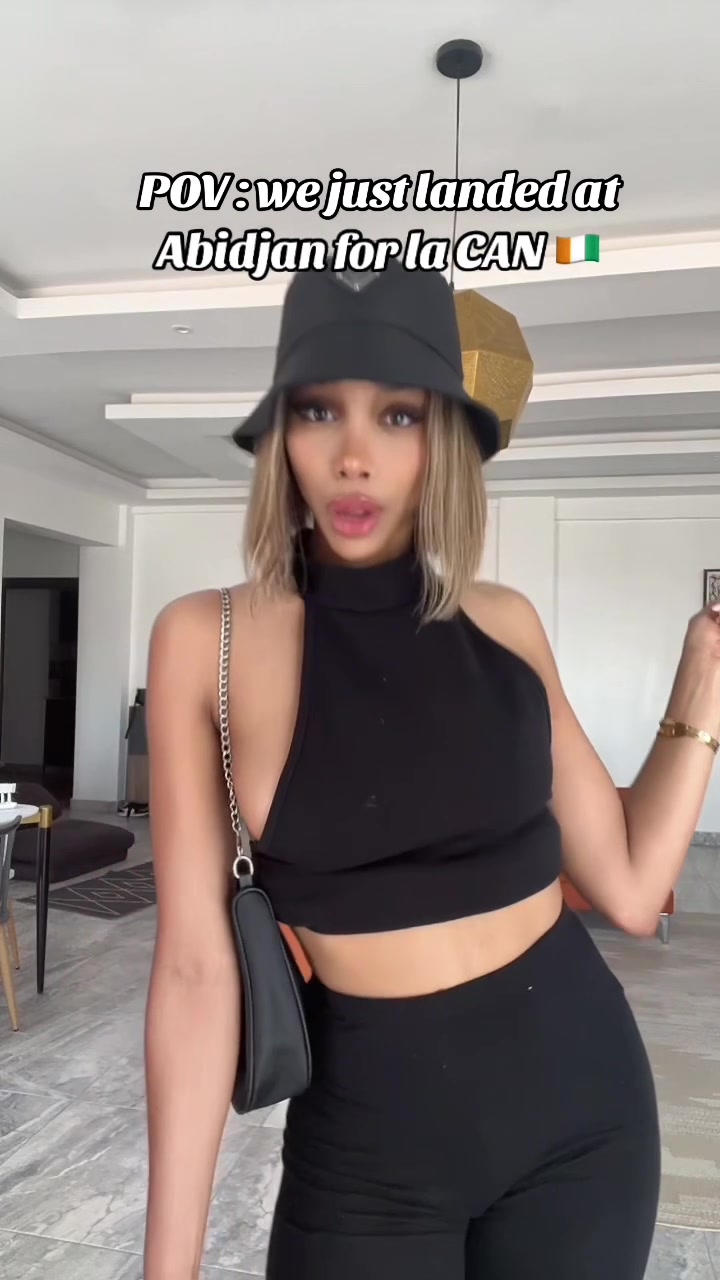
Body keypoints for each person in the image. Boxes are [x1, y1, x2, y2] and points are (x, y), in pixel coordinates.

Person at [142, 261, 720, 1280]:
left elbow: (632, 885)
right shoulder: (205, 641)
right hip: (367, 1155)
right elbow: (195, 972)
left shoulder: (505, 624)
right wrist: (167, 1268)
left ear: (442, 440)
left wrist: (705, 667)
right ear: (282, 436)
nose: (354, 456)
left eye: (399, 415)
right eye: (321, 409)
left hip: (586, 1120)